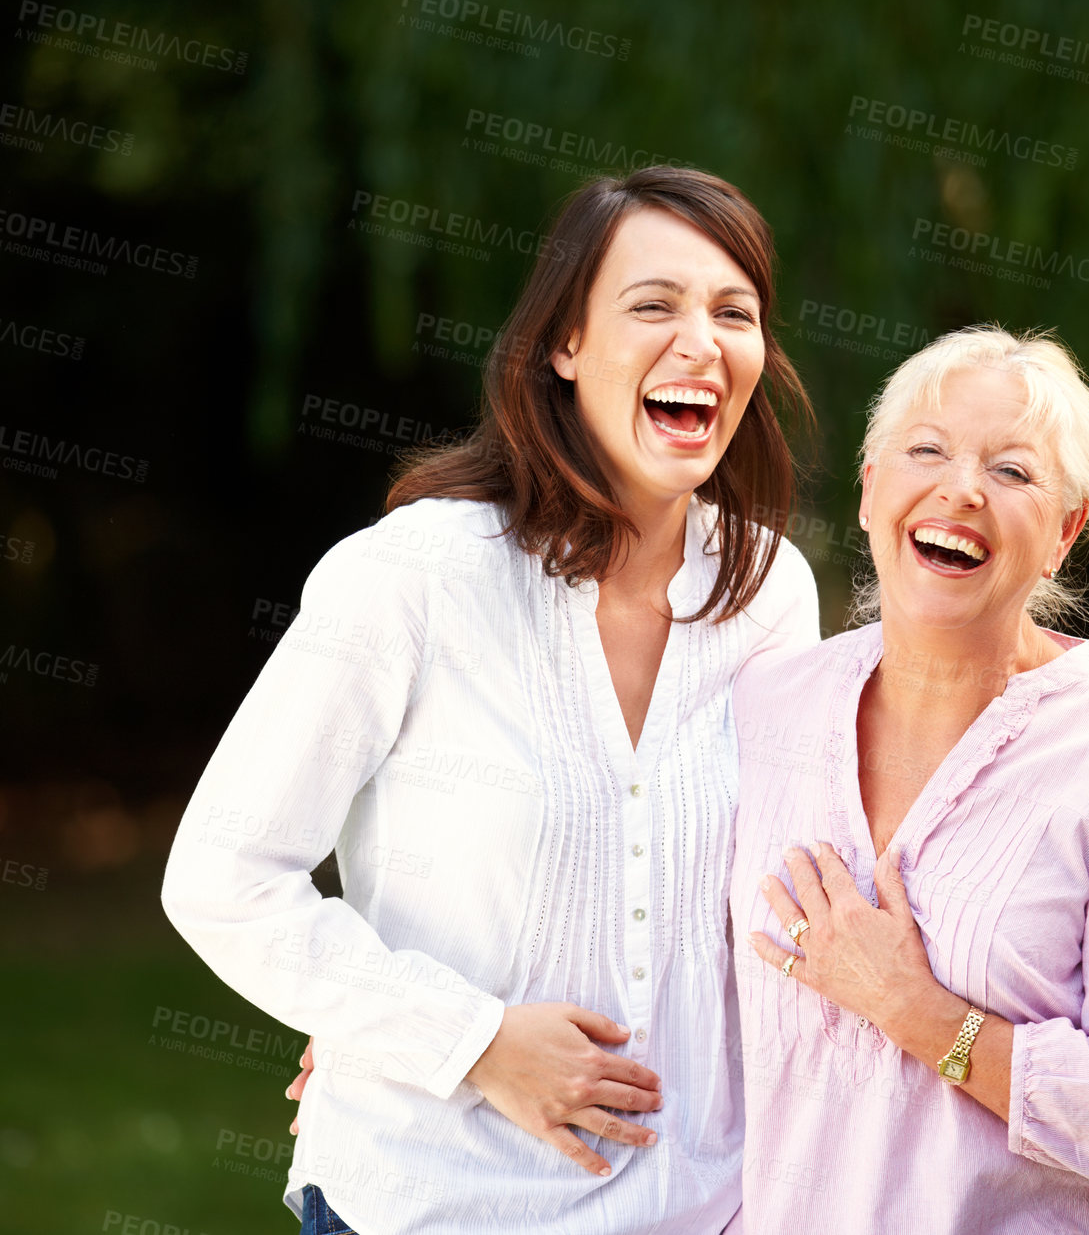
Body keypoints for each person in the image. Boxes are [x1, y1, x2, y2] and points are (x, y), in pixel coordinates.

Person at [161, 166, 820, 1234]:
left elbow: (784, 899)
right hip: (436, 1200)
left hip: (708, 1203)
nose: (701, 341)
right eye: (654, 305)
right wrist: (460, 1039)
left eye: (733, 312)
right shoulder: (413, 576)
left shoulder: (772, 592)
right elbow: (223, 875)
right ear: (564, 344)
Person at [731, 326, 1089, 1232]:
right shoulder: (764, 710)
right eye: (926, 451)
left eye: (1012, 471)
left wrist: (919, 1013)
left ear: (1064, 534)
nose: (961, 488)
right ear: (873, 489)